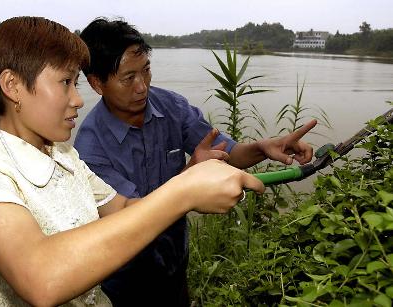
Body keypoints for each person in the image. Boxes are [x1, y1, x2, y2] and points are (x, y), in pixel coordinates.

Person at [0, 17, 266, 306]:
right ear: (13, 86)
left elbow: (126, 208)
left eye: (76, 83)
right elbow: (41, 278)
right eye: (65, 82)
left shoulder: (67, 160)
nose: (79, 99)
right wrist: (185, 190)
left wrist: (193, 184)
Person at [74, 17, 317, 307]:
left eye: (146, 70)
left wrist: (264, 147)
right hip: (124, 278)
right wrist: (190, 177)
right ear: (97, 83)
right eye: (128, 78)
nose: (142, 87)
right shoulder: (89, 147)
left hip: (176, 259)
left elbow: (228, 153)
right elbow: (126, 219)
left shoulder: (172, 107)